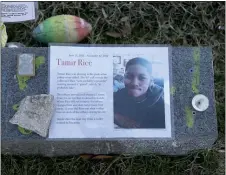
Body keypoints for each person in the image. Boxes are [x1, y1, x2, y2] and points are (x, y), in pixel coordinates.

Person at [114, 57, 165, 128]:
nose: (134, 83)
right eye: (129, 76)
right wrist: (117, 116)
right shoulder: (119, 95)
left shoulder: (164, 103)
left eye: (142, 78)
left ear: (151, 80)